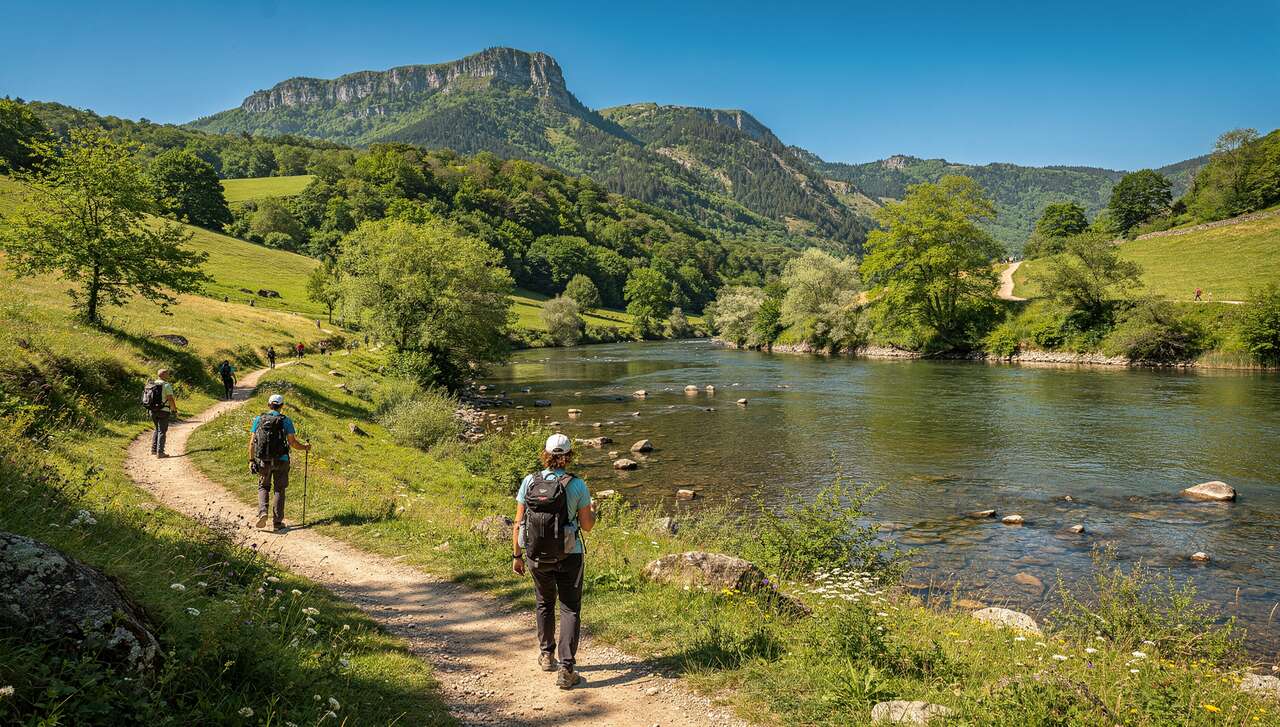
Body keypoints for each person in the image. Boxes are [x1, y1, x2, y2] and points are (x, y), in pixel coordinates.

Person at [512, 433, 595, 689]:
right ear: (568, 456)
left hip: (536, 555)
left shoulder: (530, 481)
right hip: (570, 554)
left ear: (546, 454)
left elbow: (519, 522)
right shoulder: (577, 485)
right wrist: (593, 511)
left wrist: (517, 555)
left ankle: (546, 655)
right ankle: (566, 669)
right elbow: (587, 526)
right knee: (570, 607)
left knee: (544, 602)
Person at [248, 393, 312, 531]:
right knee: (279, 489)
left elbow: (252, 443)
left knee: (263, 487)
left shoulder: (259, 419)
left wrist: (251, 460)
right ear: (282, 406)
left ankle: (263, 512)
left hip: (263, 459)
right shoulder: (286, 420)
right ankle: (277, 523)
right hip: (282, 459)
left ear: (268, 405)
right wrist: (305, 448)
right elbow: (293, 443)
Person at [146, 369, 178, 458]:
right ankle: (160, 452)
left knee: (157, 429)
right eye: (168, 374)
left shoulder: (151, 384)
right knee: (162, 431)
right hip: (163, 410)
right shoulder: (166, 385)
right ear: (163, 375)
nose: (169, 375)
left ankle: (153, 450)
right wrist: (174, 409)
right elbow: (170, 399)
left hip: (152, 410)